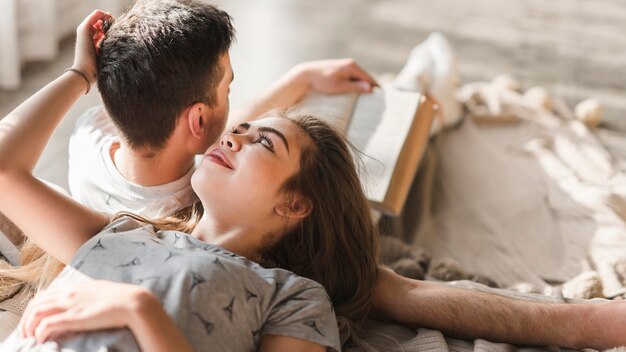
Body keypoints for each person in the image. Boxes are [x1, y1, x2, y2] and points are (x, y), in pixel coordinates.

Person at [4, 1, 626, 351]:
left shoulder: (291, 296)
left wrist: (300, 80)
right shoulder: (126, 228)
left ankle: (425, 91)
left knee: (386, 180)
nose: (233, 129)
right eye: (228, 96)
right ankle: (425, 87)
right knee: (381, 260)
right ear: (200, 122)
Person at [0, 10, 380, 351]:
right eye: (241, 129)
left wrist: (139, 311)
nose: (232, 137)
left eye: (263, 142)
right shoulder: (126, 230)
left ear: (295, 203)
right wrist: (80, 74)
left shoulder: (295, 296)